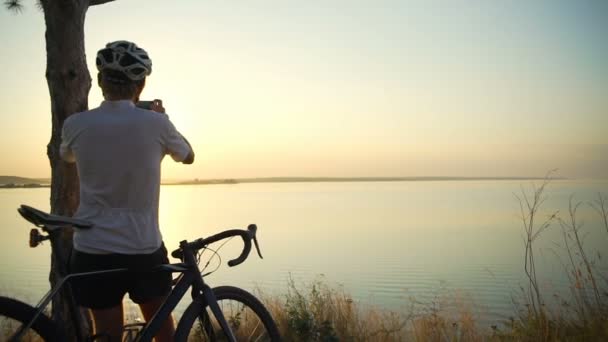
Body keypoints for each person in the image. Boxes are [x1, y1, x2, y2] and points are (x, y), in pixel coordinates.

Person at [60, 40, 194, 342]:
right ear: (141, 84)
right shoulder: (157, 124)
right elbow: (188, 156)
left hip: (92, 249)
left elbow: (66, 156)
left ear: (100, 81)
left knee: (106, 336)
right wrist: (164, 118)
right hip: (142, 249)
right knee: (164, 336)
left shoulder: (75, 124)